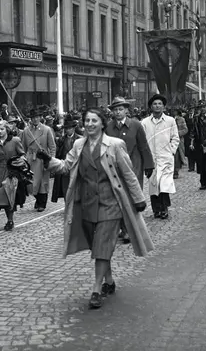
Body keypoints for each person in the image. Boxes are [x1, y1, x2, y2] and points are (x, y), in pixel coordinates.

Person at [37, 107, 153, 309]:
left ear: (102, 123)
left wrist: (138, 198)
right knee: (98, 246)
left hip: (111, 204)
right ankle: (109, 280)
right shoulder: (78, 145)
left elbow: (128, 173)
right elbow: (66, 166)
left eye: (94, 120)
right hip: (87, 205)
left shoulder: (115, 145)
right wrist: (49, 161)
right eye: (87, 121)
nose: (90, 124)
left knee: (102, 244)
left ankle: (96, 289)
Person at [106, 96, 154, 241]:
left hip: (134, 167)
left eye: (121, 109)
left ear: (126, 110)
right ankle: (123, 227)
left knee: (132, 198)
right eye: (115, 110)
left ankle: (129, 230)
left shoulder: (136, 125)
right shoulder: (108, 127)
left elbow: (143, 146)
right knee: (117, 199)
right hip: (114, 169)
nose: (118, 112)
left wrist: (149, 165)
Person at [141, 94, 180, 219]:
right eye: (155, 104)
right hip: (151, 159)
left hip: (166, 157)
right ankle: (156, 209)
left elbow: (175, 138)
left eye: (160, 104)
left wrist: (171, 151)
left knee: (164, 184)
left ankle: (164, 208)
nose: (157, 106)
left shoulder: (170, 121)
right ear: (151, 107)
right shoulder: (145, 122)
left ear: (163, 106)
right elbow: (142, 141)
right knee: (153, 185)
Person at [0, 121, 25, 231]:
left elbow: (22, 154)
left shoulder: (15, 140)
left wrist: (19, 163)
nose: (0, 131)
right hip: (0, 172)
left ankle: (10, 220)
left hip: (13, 172)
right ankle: (9, 219)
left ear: (7, 129)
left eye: (2, 129)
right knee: (3, 197)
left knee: (10, 195)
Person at [21, 108, 56, 212]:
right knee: (32, 182)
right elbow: (23, 147)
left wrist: (51, 160)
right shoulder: (26, 131)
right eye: (33, 118)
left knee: (43, 182)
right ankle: (37, 198)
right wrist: (23, 159)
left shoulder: (47, 129)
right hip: (31, 159)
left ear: (40, 118)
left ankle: (42, 203)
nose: (35, 119)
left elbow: (52, 147)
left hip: (43, 158)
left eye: (37, 117)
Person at [51, 119, 79, 203]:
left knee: (76, 188)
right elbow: (57, 152)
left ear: (73, 128)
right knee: (65, 188)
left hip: (76, 167)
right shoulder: (61, 140)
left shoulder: (79, 139)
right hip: (64, 167)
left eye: (70, 128)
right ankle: (67, 204)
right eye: (66, 128)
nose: (68, 130)